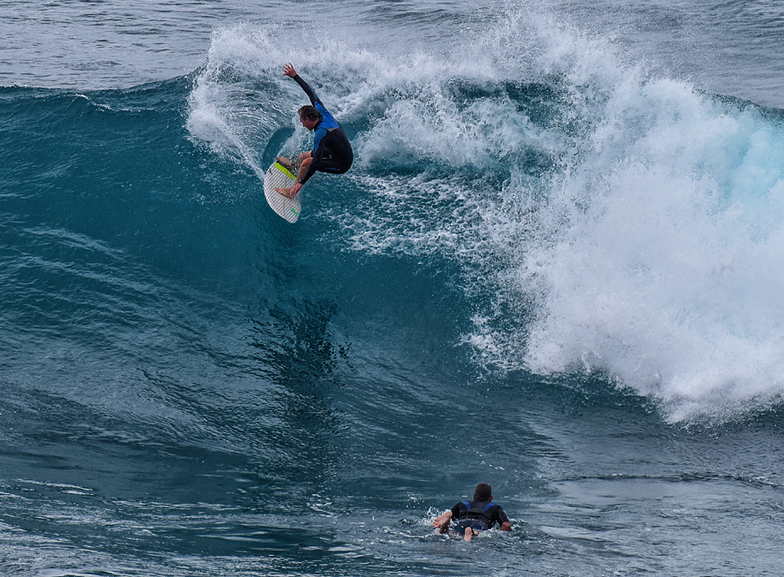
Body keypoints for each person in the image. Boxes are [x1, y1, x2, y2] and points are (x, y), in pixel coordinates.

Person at [275, 63, 353, 198]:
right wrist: (295, 76)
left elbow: (316, 161)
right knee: (303, 156)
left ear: (308, 119)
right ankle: (293, 167)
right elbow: (311, 92)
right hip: (333, 151)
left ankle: (292, 191)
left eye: (303, 122)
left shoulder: (321, 132)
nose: (303, 125)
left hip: (342, 163)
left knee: (307, 162)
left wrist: (301, 182)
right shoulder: (321, 111)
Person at [432, 483, 511, 542]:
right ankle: (471, 532)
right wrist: (502, 535)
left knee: (453, 531)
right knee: (478, 532)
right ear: (490, 498)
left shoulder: (463, 504)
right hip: (479, 524)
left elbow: (452, 515)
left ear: (474, 496)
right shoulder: (495, 507)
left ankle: (445, 527)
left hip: (462, 522)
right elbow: (506, 525)